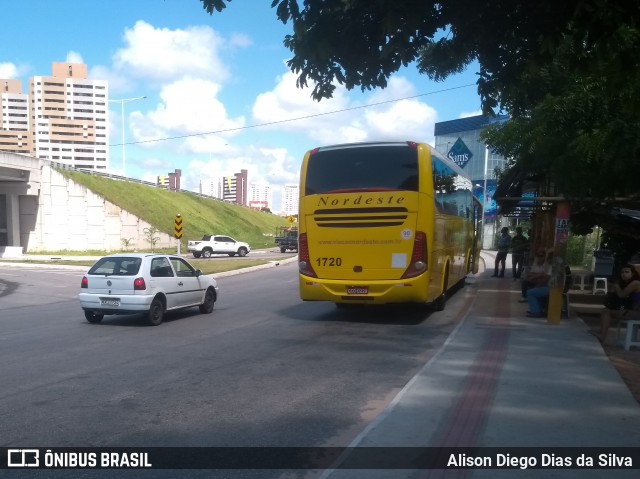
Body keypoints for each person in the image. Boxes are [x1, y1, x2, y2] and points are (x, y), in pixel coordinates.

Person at [589, 264, 640, 343]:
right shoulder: (624, 283)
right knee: (606, 310)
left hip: (637, 312)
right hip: (631, 309)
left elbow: (621, 295)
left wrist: (616, 286)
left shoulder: (636, 283)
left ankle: (602, 335)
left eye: (627, 272)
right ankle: (601, 332)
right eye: (622, 272)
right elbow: (614, 296)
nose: (624, 274)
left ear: (632, 274)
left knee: (607, 311)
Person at [524, 251, 555, 318]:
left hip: (551, 288)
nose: (547, 259)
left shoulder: (553, 267)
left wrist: (539, 285)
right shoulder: (553, 267)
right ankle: (538, 309)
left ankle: (536, 311)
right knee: (535, 290)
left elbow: (546, 278)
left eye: (549, 258)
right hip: (551, 287)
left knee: (530, 292)